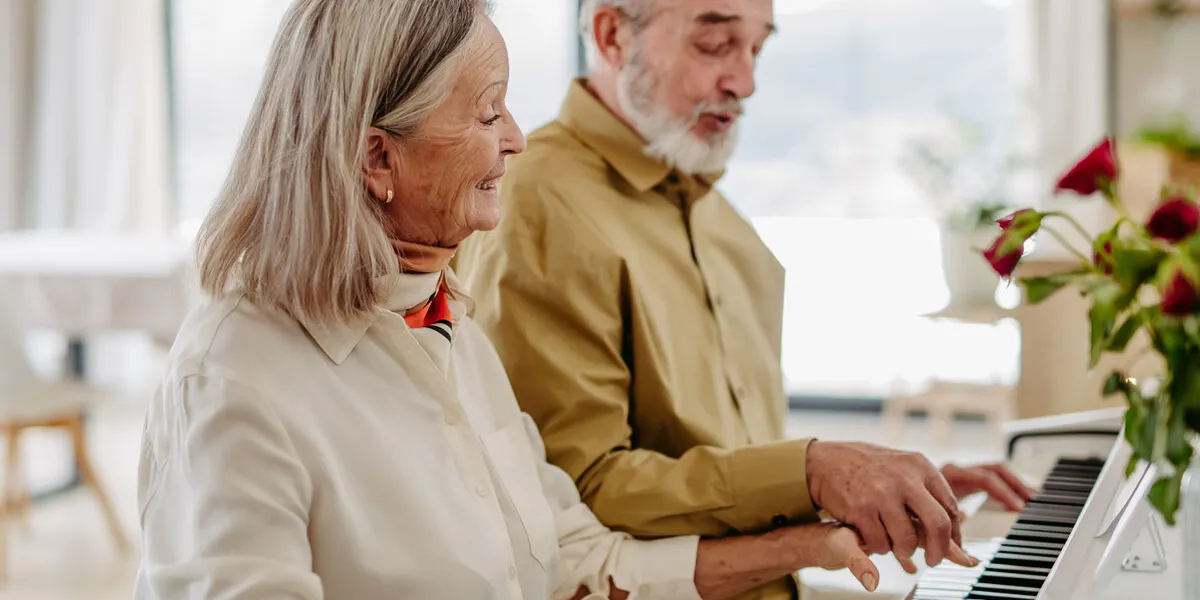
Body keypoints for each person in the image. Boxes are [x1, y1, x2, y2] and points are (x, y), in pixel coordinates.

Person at [131, 1, 939, 599]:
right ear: (378, 158)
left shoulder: (449, 331)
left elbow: (581, 564)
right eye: (488, 112)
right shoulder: (235, 382)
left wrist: (807, 546)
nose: (518, 137)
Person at [453, 0, 1037, 598]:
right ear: (611, 35)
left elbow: (732, 475)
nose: (746, 82)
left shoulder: (722, 222)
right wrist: (814, 472)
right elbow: (574, 493)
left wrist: (881, 488)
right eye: (715, 45)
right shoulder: (537, 204)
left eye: (757, 48)